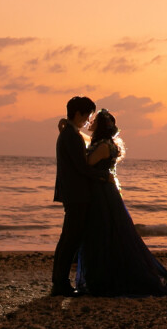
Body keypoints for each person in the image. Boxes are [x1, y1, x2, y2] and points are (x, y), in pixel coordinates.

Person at [74, 108, 167, 296]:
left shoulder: (103, 146)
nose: (91, 122)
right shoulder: (105, 143)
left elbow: (85, 164)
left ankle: (104, 278)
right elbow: (88, 144)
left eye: (94, 120)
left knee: (102, 232)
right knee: (108, 231)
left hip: (102, 194)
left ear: (101, 126)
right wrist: (73, 130)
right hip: (106, 192)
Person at [52, 96, 109, 297]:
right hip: (76, 194)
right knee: (70, 240)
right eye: (87, 116)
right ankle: (60, 284)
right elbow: (82, 167)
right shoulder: (71, 136)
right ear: (78, 114)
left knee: (68, 239)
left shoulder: (69, 133)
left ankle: (59, 282)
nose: (88, 121)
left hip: (72, 193)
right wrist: (103, 176)